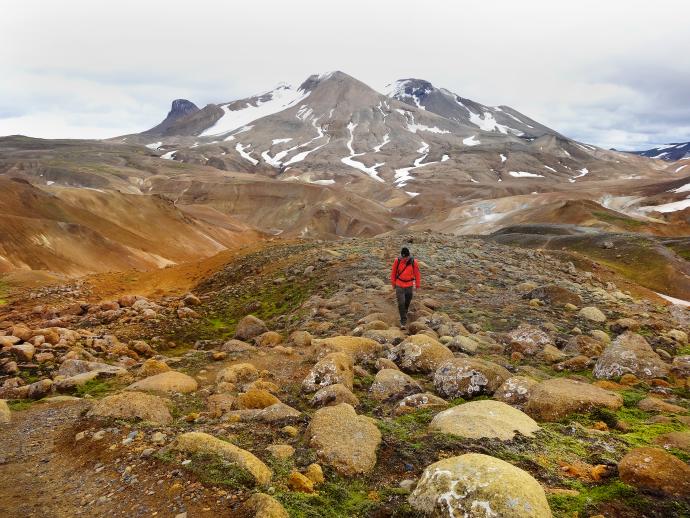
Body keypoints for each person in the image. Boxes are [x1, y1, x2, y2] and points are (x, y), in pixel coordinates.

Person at [390, 247, 421, 328]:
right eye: (404, 257)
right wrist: (393, 284)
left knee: (407, 302)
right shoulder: (397, 260)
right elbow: (393, 272)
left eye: (406, 257)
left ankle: (404, 312)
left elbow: (417, 274)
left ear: (408, 255)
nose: (405, 258)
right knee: (401, 303)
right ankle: (403, 321)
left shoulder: (413, 262)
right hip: (399, 284)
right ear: (402, 255)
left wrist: (417, 286)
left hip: (409, 285)